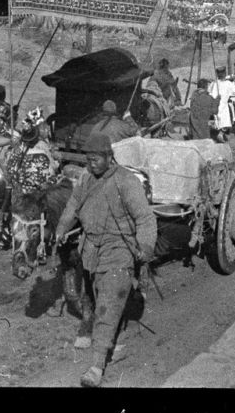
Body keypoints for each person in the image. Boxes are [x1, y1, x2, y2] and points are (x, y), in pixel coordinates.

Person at [50, 141, 157, 389]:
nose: (92, 163)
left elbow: (145, 218)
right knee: (98, 299)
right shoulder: (86, 179)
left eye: (96, 158)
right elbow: (73, 206)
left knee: (106, 307)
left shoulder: (126, 181)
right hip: (90, 250)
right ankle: (116, 333)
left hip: (119, 249)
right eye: (88, 158)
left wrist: (145, 246)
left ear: (110, 157)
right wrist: (62, 228)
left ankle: (96, 366)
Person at [5, 107, 63, 274]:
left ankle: (18, 250)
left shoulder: (15, 152)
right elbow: (51, 174)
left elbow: (9, 173)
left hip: (19, 198)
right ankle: (42, 248)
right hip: (35, 199)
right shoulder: (42, 150)